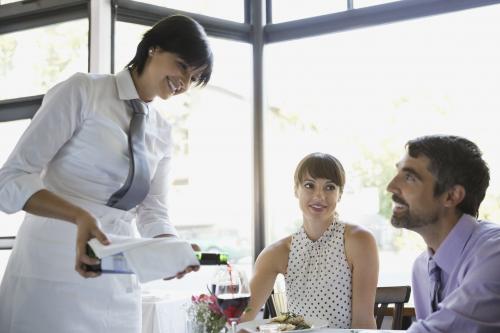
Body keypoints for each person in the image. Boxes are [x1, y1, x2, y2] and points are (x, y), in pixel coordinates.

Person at [0, 15, 213, 333]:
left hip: (116, 277)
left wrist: (171, 247)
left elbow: (153, 211)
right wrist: (79, 216)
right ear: (153, 48)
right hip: (52, 270)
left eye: (194, 77)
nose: (184, 82)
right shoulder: (83, 91)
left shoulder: (162, 132)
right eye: (182, 65)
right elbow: (11, 179)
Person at [241, 152, 379, 329]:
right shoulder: (277, 252)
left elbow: (363, 323)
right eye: (309, 185)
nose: (320, 196)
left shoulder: (359, 241)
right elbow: (244, 318)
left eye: (329, 187)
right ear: (296, 190)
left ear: (340, 194)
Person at [386, 135, 500, 332]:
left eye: (409, 177)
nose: (391, 187)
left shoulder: (494, 253)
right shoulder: (422, 267)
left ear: (451, 196)